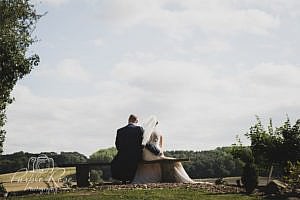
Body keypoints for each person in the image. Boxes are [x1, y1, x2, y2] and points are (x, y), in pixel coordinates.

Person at [132, 116, 195, 183]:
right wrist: (159, 153)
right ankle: (182, 178)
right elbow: (160, 149)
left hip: (145, 156)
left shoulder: (144, 133)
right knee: (175, 161)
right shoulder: (158, 133)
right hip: (154, 155)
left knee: (163, 158)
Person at [111, 114, 144, 183]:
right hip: (135, 156)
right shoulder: (139, 129)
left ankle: (123, 180)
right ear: (136, 121)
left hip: (122, 156)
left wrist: (122, 151)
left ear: (128, 120)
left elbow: (117, 144)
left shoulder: (120, 130)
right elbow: (142, 143)